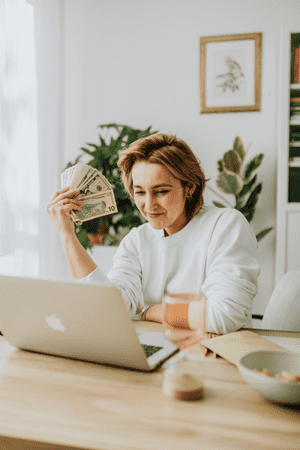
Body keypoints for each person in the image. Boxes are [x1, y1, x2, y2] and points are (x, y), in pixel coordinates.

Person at [46, 133, 260, 334]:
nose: (149, 205)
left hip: (214, 355)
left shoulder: (225, 225)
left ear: (190, 188)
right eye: (140, 192)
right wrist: (67, 235)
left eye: (161, 191)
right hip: (159, 348)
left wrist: (150, 311)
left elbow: (223, 316)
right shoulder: (137, 241)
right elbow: (109, 308)